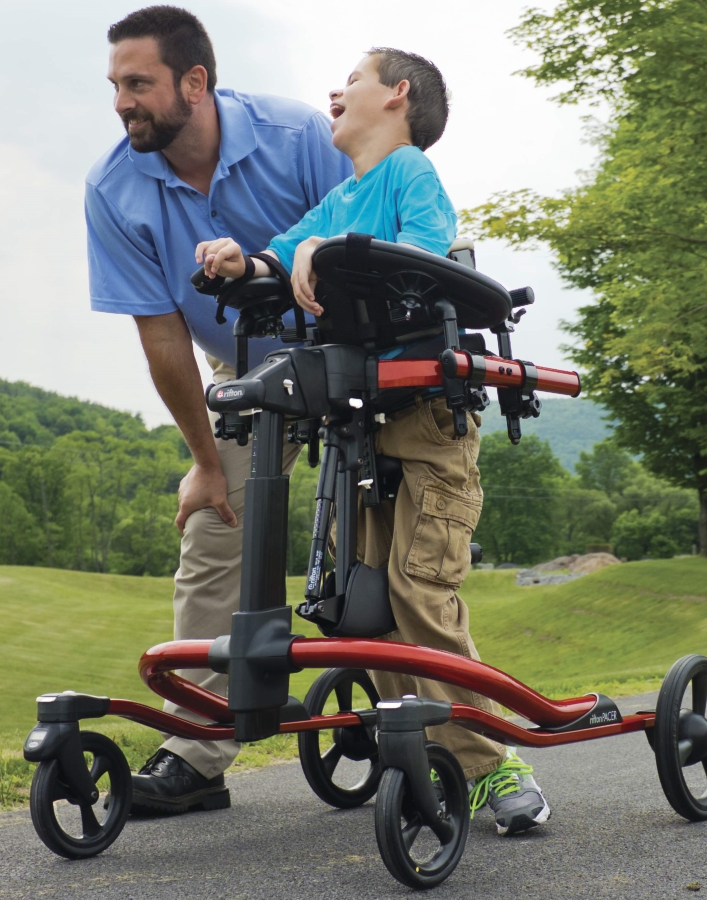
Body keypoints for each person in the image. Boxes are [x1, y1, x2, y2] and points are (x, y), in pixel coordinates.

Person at [193, 48, 552, 837]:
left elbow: (423, 254)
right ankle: (421, 750)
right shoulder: (345, 196)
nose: (334, 89)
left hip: (427, 429)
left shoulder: (410, 174)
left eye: (351, 79)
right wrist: (239, 260)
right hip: (361, 434)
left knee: (421, 590)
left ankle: (493, 766)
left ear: (396, 97)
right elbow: (283, 251)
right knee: (366, 608)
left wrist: (330, 251)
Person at [85, 5, 352, 815]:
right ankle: (197, 753)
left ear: (194, 83)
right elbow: (163, 338)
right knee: (212, 533)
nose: (123, 102)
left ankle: (443, 734)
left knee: (382, 538)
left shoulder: (299, 136)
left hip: (355, 344)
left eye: (139, 84)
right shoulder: (113, 188)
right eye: (116, 86)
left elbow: (368, 238)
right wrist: (206, 465)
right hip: (241, 366)